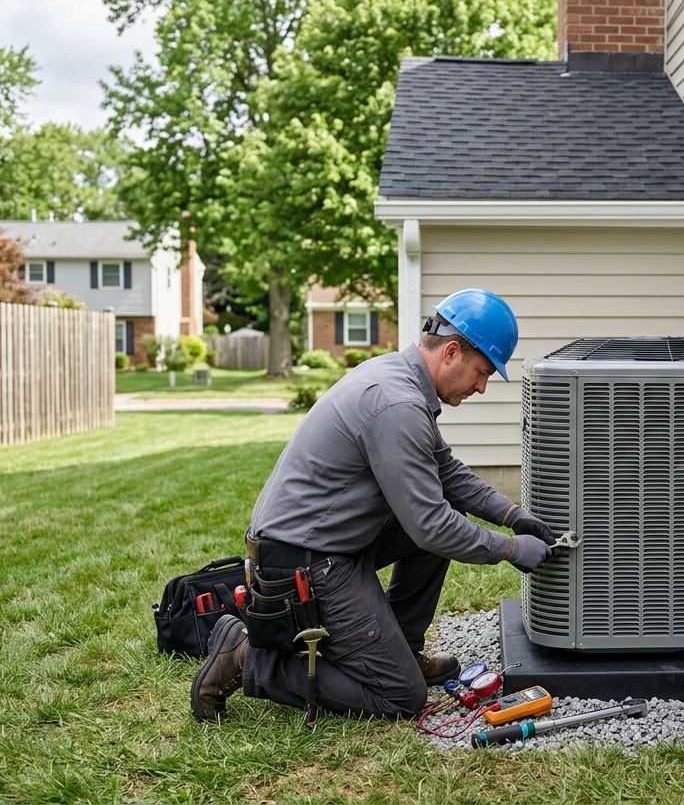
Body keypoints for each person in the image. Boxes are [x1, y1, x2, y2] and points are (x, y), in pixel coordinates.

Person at [190, 289, 557, 722]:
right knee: (401, 696)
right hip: (303, 562)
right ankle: (247, 657)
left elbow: (447, 473)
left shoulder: (399, 378)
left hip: (329, 541)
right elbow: (431, 526)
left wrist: (513, 515)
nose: (480, 386)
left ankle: (399, 646)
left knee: (444, 524)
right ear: (452, 351)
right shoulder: (397, 403)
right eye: (481, 373)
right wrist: (512, 549)